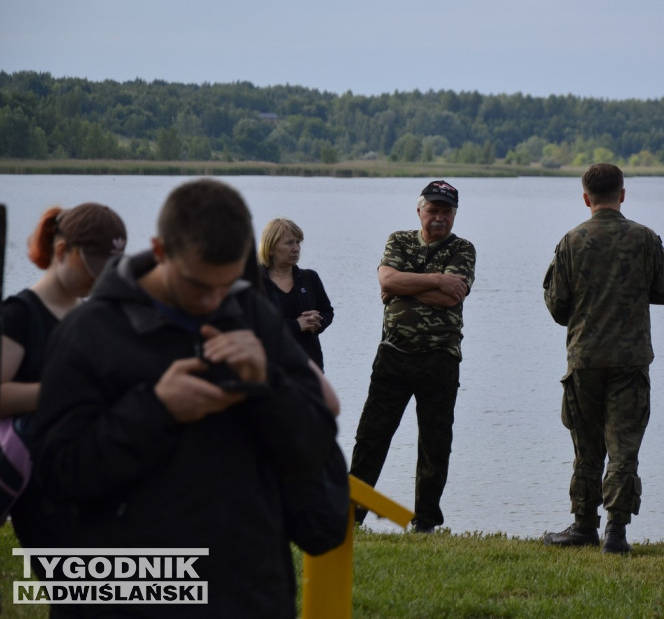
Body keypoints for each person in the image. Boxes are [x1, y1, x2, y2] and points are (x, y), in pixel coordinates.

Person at [30, 178, 338, 617]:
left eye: (227, 284)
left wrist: (268, 387)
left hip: (248, 591)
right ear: (159, 250)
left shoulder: (252, 315)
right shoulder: (89, 333)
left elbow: (318, 445)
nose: (214, 301)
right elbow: (55, 480)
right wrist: (155, 410)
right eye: (197, 286)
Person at [541, 163, 664, 554]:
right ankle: (616, 533)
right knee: (623, 447)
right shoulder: (645, 238)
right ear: (622, 194)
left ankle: (584, 525)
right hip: (630, 360)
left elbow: (556, 306)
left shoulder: (571, 240)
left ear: (586, 198)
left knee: (586, 447)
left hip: (584, 359)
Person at [1, 203, 126, 563]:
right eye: (94, 269)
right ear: (61, 251)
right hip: (39, 487)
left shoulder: (91, 317)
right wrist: (65, 392)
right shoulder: (20, 315)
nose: (100, 281)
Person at [349, 180, 475, 534]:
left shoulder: (463, 249)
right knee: (371, 437)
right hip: (393, 353)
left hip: (440, 357)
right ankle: (350, 515)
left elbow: (452, 297)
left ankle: (426, 522)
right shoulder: (399, 240)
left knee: (435, 442)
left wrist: (405, 288)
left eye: (446, 212)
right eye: (433, 210)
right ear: (419, 210)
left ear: (454, 214)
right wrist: (434, 280)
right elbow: (387, 280)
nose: (439, 218)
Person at [258, 217, 335, 372]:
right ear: (271, 247)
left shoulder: (310, 278)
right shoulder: (256, 282)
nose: (296, 248)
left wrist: (318, 322)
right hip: (269, 370)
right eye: (289, 243)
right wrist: (296, 325)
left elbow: (327, 311)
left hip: (309, 367)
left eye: (298, 242)